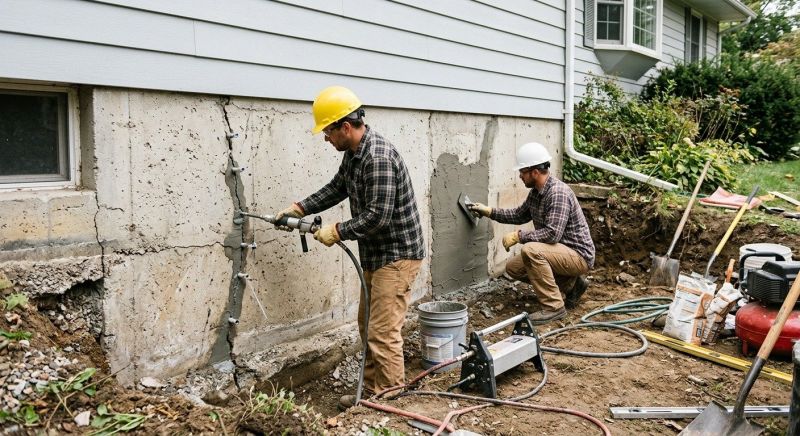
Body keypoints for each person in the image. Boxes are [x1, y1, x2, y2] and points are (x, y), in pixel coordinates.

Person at [275, 86, 425, 409]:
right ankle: (373, 391)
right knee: (366, 323)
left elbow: (378, 218)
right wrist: (300, 207)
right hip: (376, 254)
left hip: (398, 255)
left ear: (345, 127)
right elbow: (337, 188)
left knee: (383, 331)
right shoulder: (353, 155)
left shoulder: (378, 157)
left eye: (327, 131)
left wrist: (338, 230)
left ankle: (390, 400)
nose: (325, 138)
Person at [468, 142, 594, 324]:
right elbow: (518, 214)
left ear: (535, 172)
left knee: (531, 250)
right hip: (559, 253)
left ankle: (554, 307)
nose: (519, 175)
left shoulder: (557, 193)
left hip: (578, 255)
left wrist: (519, 236)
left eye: (522, 171)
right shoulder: (536, 192)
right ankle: (572, 285)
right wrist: (489, 211)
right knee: (514, 267)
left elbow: (552, 235)